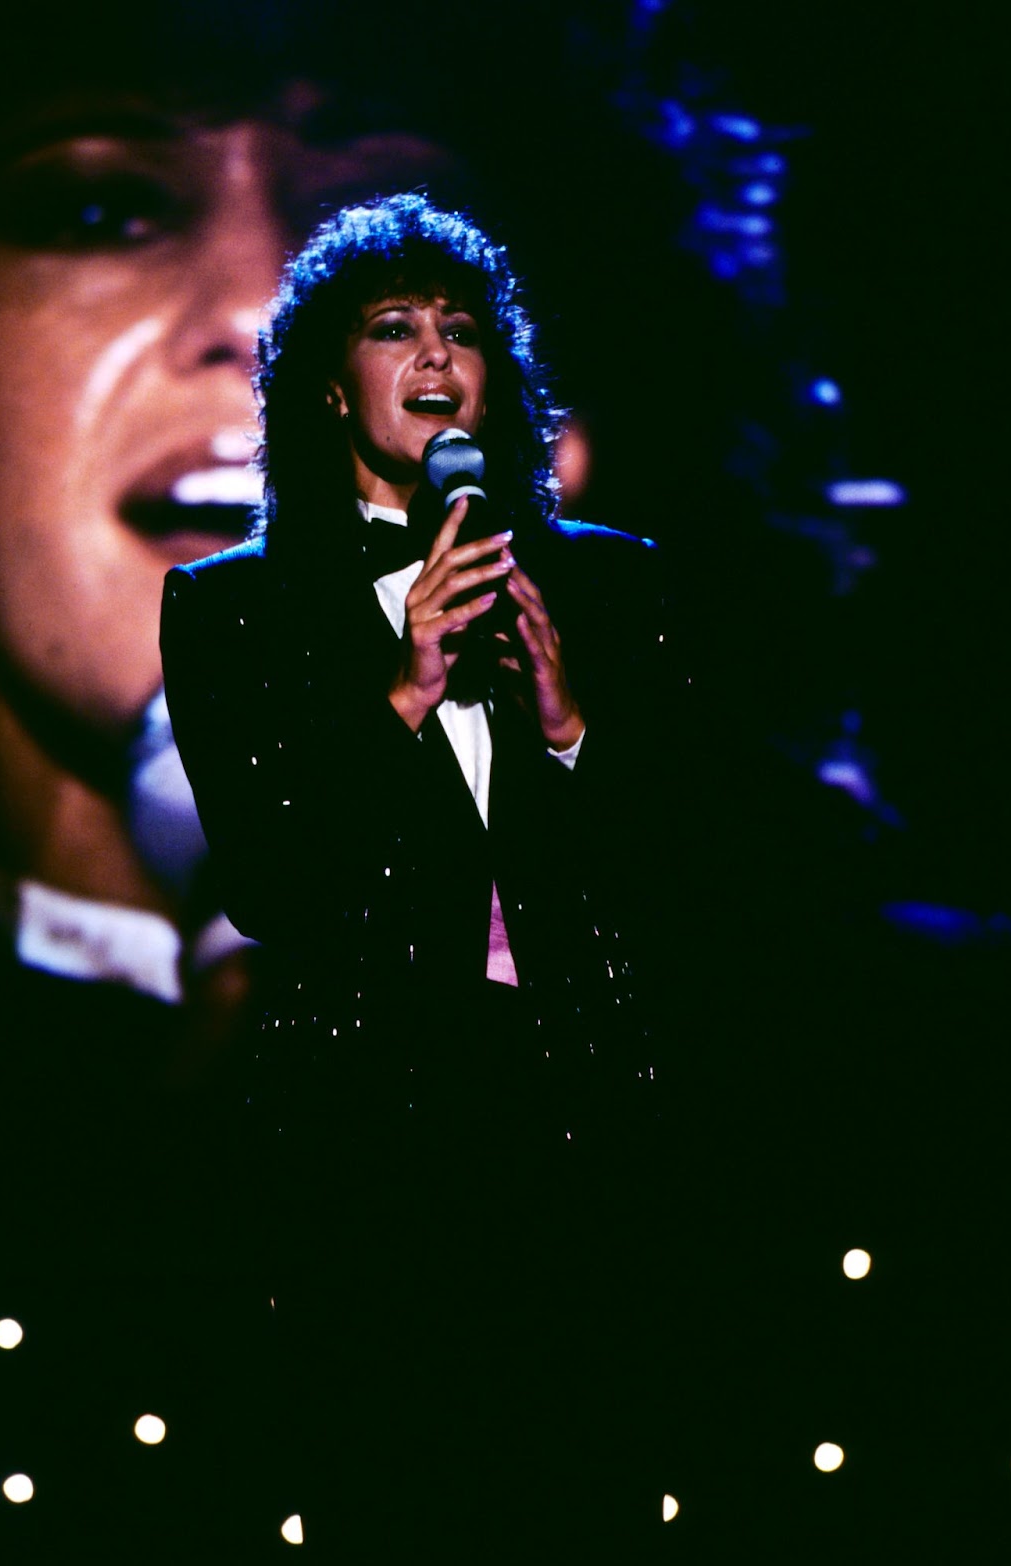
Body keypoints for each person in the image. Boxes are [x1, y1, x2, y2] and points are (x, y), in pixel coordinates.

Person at [161, 193, 685, 1551]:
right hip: (372, 1134)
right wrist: (398, 698)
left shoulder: (609, 586)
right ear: (330, 389)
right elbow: (271, 880)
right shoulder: (234, 609)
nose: (435, 353)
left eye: (461, 328)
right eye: (392, 328)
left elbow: (693, 871)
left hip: (589, 1115)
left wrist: (571, 730)